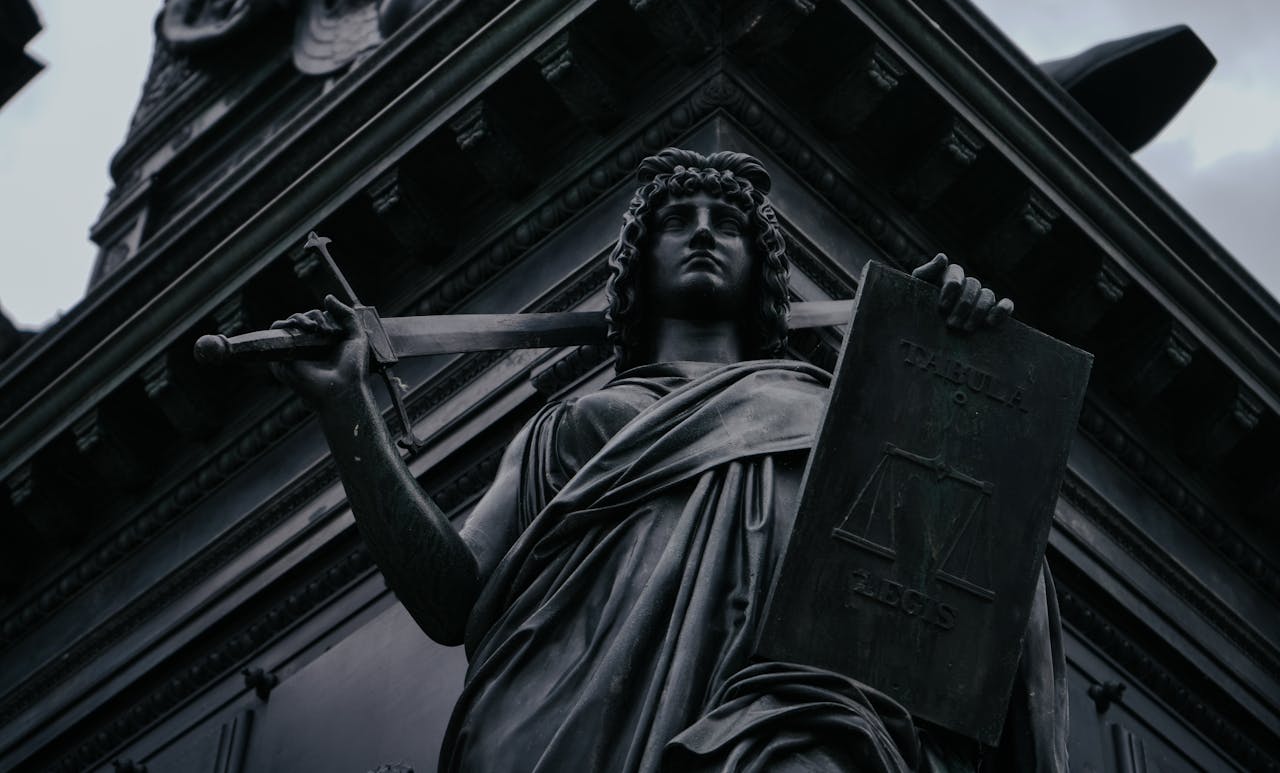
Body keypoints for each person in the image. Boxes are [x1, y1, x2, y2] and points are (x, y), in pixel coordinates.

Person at [273, 148, 1065, 772]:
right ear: (639, 263)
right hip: (567, 729)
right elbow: (451, 598)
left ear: (762, 267)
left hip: (788, 718)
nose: (703, 231)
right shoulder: (564, 428)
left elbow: (948, 576)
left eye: (728, 222)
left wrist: (947, 356)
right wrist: (348, 408)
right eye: (678, 219)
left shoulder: (835, 412)